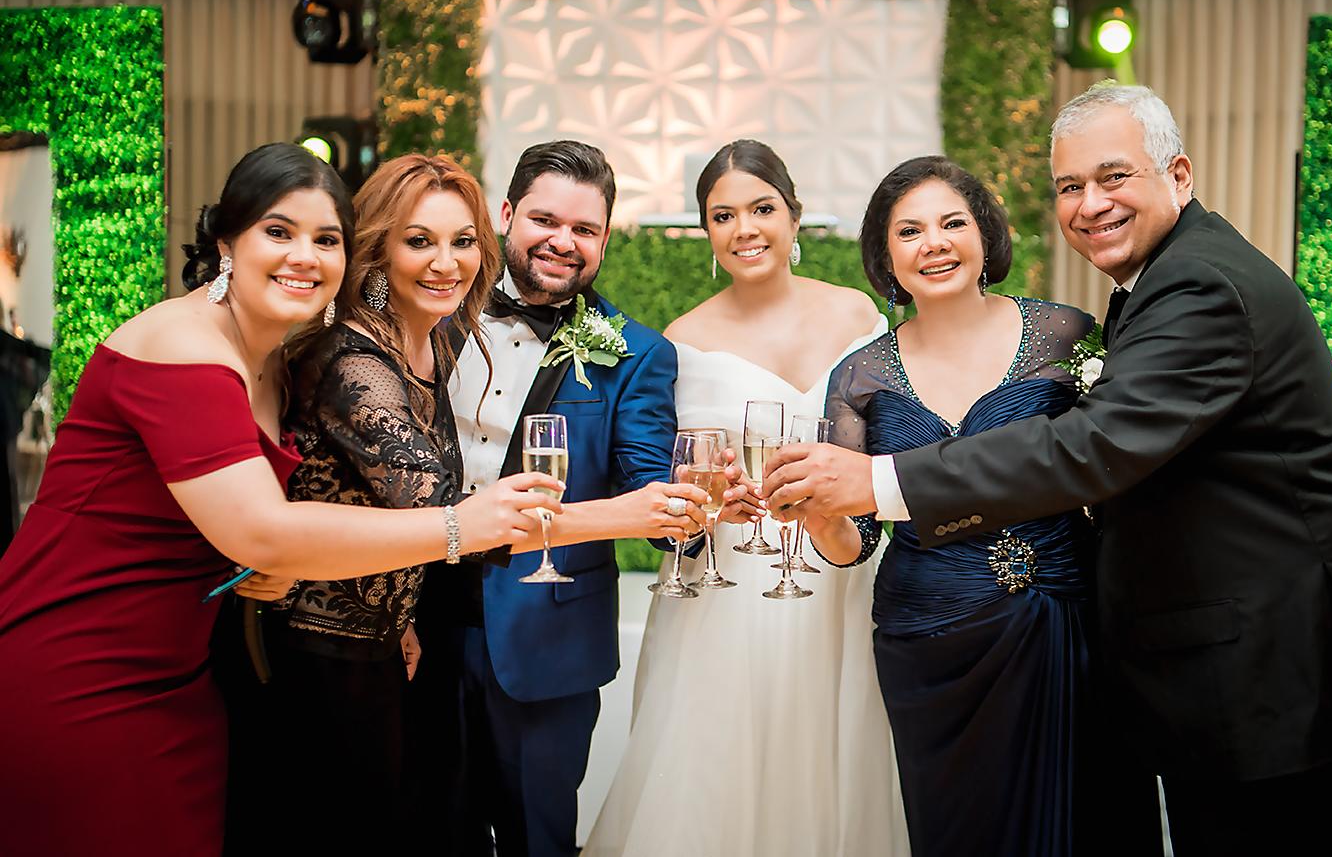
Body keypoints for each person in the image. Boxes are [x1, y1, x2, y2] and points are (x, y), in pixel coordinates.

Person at [765, 83, 1332, 856]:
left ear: (1179, 174)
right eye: (1071, 186)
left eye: (1114, 176)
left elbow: (1091, 446)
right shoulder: (1153, 288)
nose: (1091, 203)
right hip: (1192, 666)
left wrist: (880, 481)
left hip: (1285, 678)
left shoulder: (1192, 288)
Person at [0, 143, 561, 857]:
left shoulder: (270, 363)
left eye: (325, 238)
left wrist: (262, 567)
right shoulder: (182, 345)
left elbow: (249, 524)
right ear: (225, 241)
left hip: (187, 670)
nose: (305, 255)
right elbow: (264, 527)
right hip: (81, 667)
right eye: (278, 231)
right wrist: (455, 526)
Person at [583, 139, 904, 857]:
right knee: (713, 764)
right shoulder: (682, 341)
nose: (744, 228)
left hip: (837, 569)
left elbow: (885, 448)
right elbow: (667, 479)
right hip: (728, 583)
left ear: (793, 216)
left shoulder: (858, 316)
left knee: (835, 746)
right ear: (707, 234)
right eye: (722, 215)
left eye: (761, 208)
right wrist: (705, 490)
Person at [787, 154, 1097, 856]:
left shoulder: (1067, 337)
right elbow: (853, 541)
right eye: (910, 231)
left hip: (1058, 622)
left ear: (985, 234)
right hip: (928, 639)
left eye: (953, 222)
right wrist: (816, 515)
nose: (935, 242)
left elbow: (1108, 467)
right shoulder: (861, 374)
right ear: (886, 257)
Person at [410, 139, 709, 857]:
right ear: (506, 215)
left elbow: (651, 495)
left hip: (544, 640)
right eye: (546, 219)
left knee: (536, 839)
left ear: (604, 239)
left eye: (585, 229)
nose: (563, 242)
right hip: (413, 622)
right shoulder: (429, 318)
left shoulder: (634, 353)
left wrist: (691, 515)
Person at [221, 153, 510, 853]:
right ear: (377, 251)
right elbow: (440, 513)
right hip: (313, 660)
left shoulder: (432, 343)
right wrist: (626, 514)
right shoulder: (355, 363)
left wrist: (402, 612)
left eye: (462, 240)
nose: (448, 262)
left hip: (377, 647)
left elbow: (393, 522)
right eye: (421, 240)